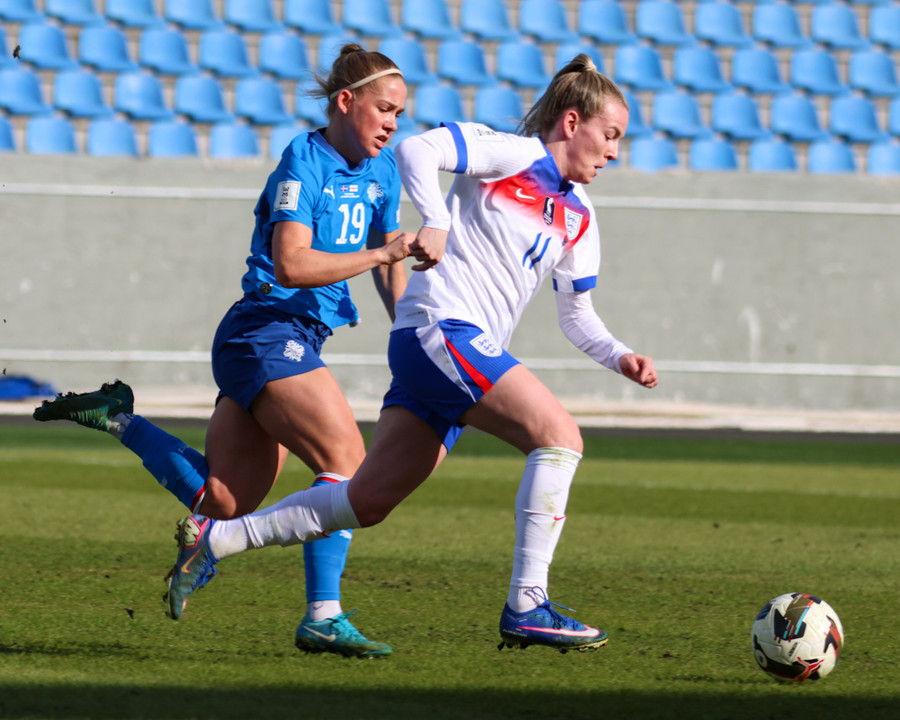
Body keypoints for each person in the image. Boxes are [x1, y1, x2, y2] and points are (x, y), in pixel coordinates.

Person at [163, 54, 659, 652]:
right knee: (560, 437)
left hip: (448, 350)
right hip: (442, 329)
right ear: (572, 122)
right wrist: (436, 219)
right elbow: (420, 149)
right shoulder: (514, 154)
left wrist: (620, 356)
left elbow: (577, 315)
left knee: (365, 500)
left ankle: (216, 540)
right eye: (610, 135)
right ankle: (527, 604)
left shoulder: (580, 215)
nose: (614, 152)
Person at [33, 44, 413, 659]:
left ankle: (118, 417)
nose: (393, 123)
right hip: (264, 331)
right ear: (346, 102)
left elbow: (392, 258)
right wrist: (381, 254)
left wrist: (412, 331)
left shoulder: (382, 169)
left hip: (291, 339)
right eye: (385, 109)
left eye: (400, 113)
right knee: (346, 461)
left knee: (224, 501)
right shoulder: (304, 161)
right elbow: (292, 265)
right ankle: (323, 615)